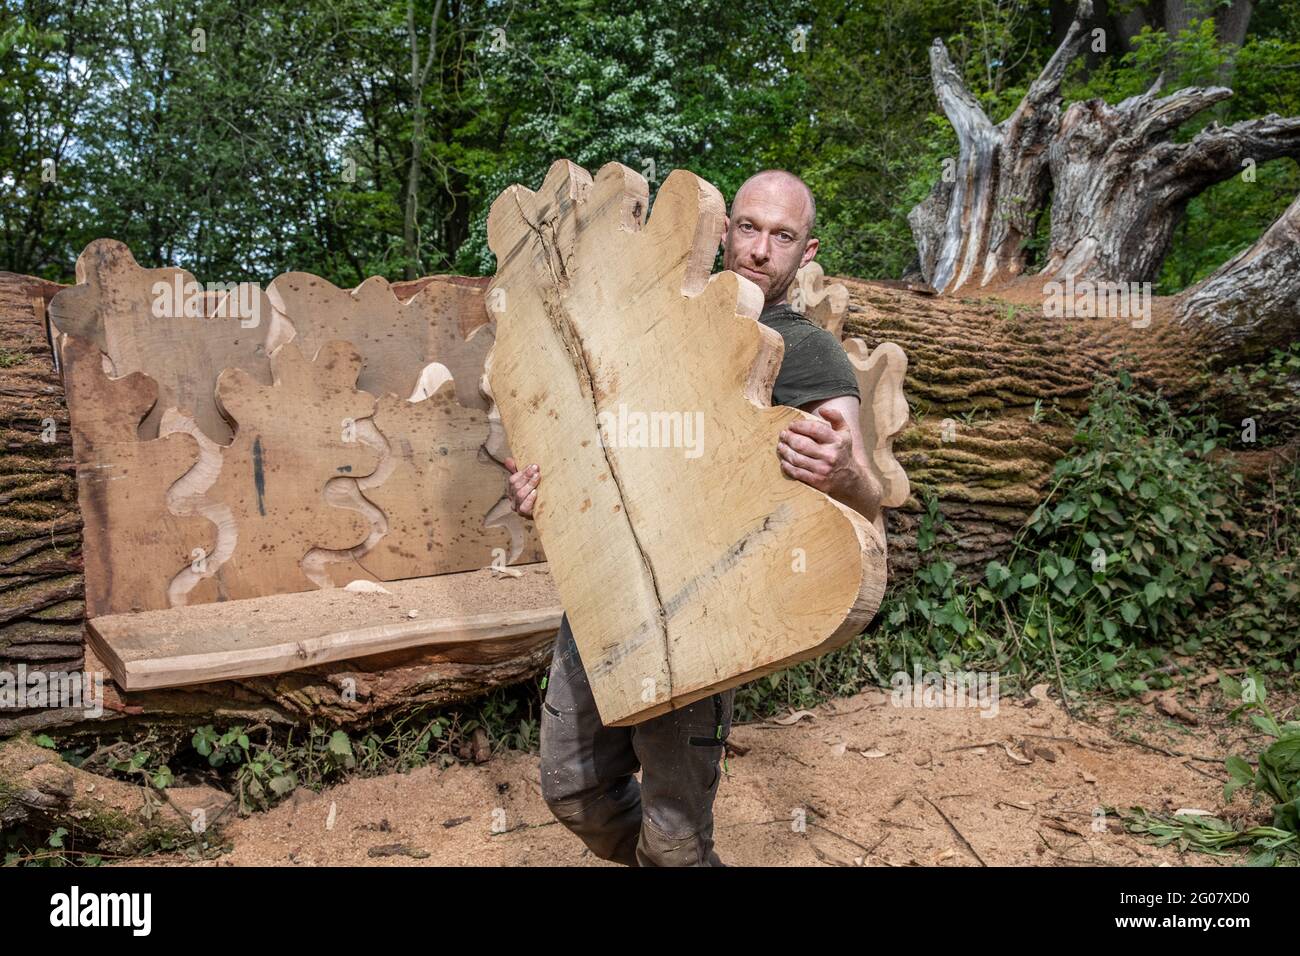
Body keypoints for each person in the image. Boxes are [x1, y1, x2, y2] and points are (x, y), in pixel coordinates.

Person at [503, 169, 883, 866]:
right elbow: (594, 448)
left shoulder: (811, 353)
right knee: (571, 791)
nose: (761, 249)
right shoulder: (654, 311)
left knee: (676, 834)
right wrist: (543, 495)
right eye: (749, 227)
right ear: (725, 227)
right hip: (602, 595)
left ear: (807, 250)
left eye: (783, 236)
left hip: (703, 610)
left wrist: (845, 473)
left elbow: (867, 500)